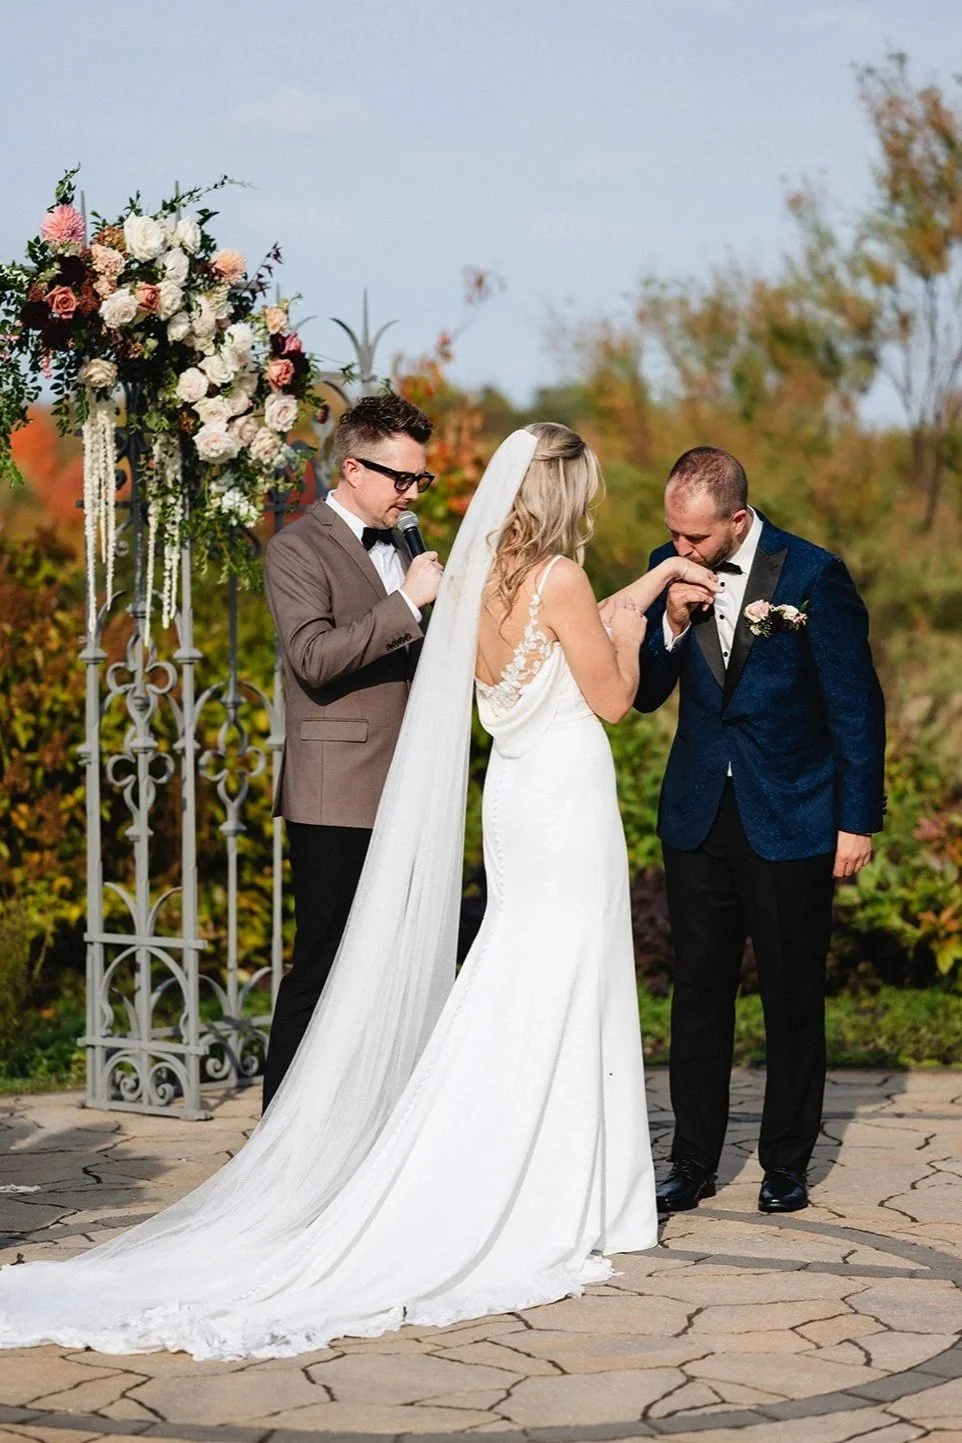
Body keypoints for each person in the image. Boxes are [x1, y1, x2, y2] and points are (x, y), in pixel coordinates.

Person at [0, 425, 711, 1362]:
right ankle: (561, 1183)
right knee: (559, 973)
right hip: (565, 798)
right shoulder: (549, 578)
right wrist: (650, 621)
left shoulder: (470, 572)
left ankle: (505, 1158)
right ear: (568, 498)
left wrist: (648, 586)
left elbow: (534, 640)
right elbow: (614, 697)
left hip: (515, 795)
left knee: (517, 971)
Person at [633, 446, 885, 1215]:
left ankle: (784, 1162)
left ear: (738, 520)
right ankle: (693, 1161)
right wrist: (671, 623)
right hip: (699, 814)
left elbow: (857, 706)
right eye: (673, 534)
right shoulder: (665, 569)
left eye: (696, 538)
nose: (681, 549)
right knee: (699, 996)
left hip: (795, 815)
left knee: (791, 994)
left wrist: (856, 819)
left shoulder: (812, 574)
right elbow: (645, 691)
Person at [262, 393, 443, 1108]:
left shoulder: (405, 541)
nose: (411, 493)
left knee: (391, 969)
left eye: (419, 479)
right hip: (336, 791)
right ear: (351, 467)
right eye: (400, 478)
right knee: (323, 964)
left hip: (408, 785)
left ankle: (358, 1123)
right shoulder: (295, 548)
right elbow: (313, 658)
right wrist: (407, 606)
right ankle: (277, 1136)